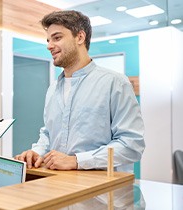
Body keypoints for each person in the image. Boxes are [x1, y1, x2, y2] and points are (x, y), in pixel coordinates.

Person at [15, 10, 145, 172]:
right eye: (48, 40)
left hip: (102, 192)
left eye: (57, 38)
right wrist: (37, 152)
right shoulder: (53, 89)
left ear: (80, 37)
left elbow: (131, 145)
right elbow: (48, 134)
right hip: (59, 184)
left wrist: (77, 161)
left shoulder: (115, 83)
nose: (49, 46)